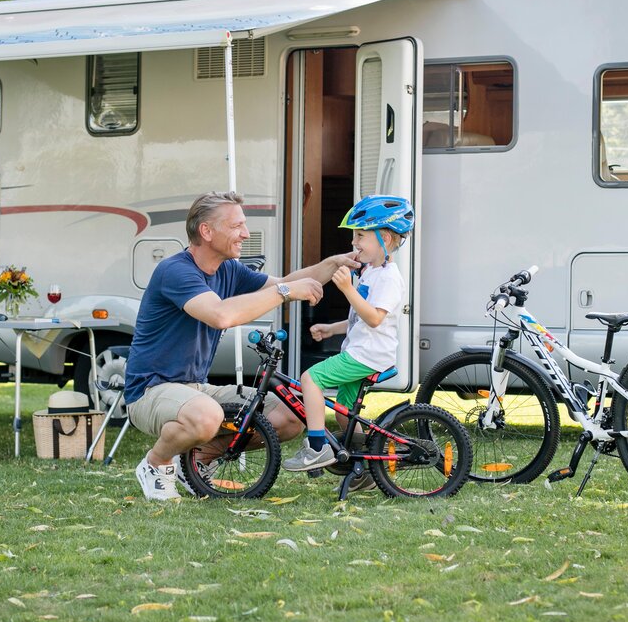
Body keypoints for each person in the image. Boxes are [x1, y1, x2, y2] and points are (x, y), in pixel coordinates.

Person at [123, 190, 361, 500]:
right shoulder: (176, 271)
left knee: (292, 414)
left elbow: (284, 281)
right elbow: (220, 316)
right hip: (150, 391)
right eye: (236, 226)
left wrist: (335, 263)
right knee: (206, 416)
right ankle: (156, 464)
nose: (245, 234)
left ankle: (197, 463)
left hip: (195, 388)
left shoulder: (227, 270)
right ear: (207, 231)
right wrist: (288, 291)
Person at [285, 196, 413, 472]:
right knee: (345, 414)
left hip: (367, 356)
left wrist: (347, 289)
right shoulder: (371, 272)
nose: (354, 242)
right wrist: (331, 328)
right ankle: (367, 465)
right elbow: (359, 317)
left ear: (386, 239)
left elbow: (375, 318)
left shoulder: (390, 278)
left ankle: (317, 448)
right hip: (360, 352)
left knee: (311, 378)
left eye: (361, 235)